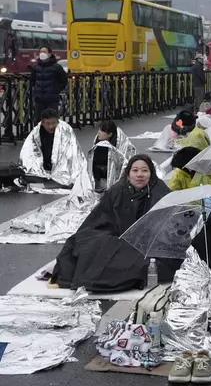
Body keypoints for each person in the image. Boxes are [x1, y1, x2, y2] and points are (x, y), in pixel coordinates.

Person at [50, 155, 181, 291]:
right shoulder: (118, 190)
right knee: (89, 244)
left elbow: (169, 226)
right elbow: (100, 218)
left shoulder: (160, 192)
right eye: (135, 171)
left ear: (151, 173)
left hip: (146, 242)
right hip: (117, 236)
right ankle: (90, 279)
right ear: (128, 173)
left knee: (142, 260)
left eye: (144, 171)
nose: (139, 175)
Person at [18, 108, 85, 188]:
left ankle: (46, 184)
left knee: (67, 179)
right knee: (28, 174)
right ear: (42, 123)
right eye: (48, 123)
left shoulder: (65, 130)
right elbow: (29, 152)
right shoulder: (36, 132)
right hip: (44, 168)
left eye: (53, 123)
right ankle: (47, 184)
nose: (51, 126)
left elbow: (71, 154)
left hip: (61, 168)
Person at [90, 120, 136, 191]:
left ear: (110, 134)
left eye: (102, 131)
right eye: (99, 130)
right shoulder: (98, 142)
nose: (98, 132)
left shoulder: (119, 145)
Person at [30, 45, 67, 126]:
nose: (42, 53)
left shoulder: (56, 67)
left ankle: (52, 137)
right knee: (39, 120)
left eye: (44, 52)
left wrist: (57, 89)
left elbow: (64, 80)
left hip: (51, 99)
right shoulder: (35, 67)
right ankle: (39, 136)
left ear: (49, 54)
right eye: (40, 52)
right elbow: (32, 80)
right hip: (39, 98)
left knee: (51, 119)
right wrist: (36, 90)